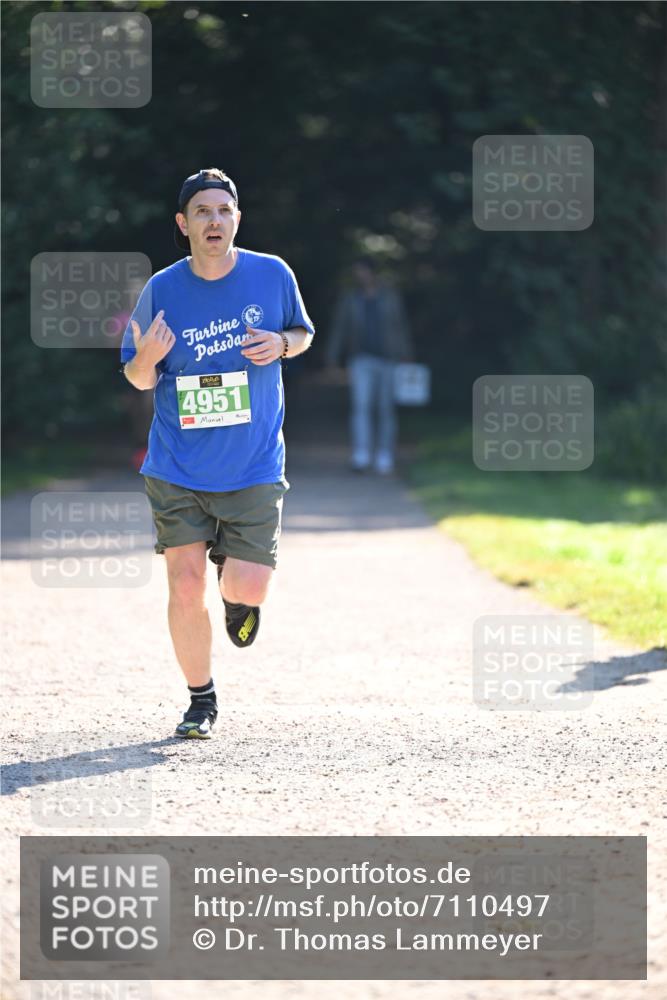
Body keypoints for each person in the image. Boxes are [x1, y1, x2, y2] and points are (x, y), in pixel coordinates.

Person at [120, 168, 315, 739]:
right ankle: (199, 700)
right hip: (177, 465)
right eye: (202, 211)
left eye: (223, 210)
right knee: (183, 583)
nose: (214, 220)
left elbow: (302, 334)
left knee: (247, 587)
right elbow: (135, 377)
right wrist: (148, 356)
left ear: (236, 219)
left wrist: (281, 343)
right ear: (184, 224)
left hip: (253, 463)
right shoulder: (161, 288)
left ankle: (237, 592)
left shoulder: (271, 274)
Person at [325, 259, 413, 474]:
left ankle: (384, 454)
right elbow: (341, 328)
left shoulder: (390, 296)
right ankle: (361, 454)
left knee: (385, 408)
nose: (360, 277)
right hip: (361, 358)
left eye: (363, 272)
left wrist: (406, 354)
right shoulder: (351, 299)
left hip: (388, 359)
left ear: (372, 273)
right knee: (361, 406)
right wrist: (332, 356)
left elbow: (400, 326)